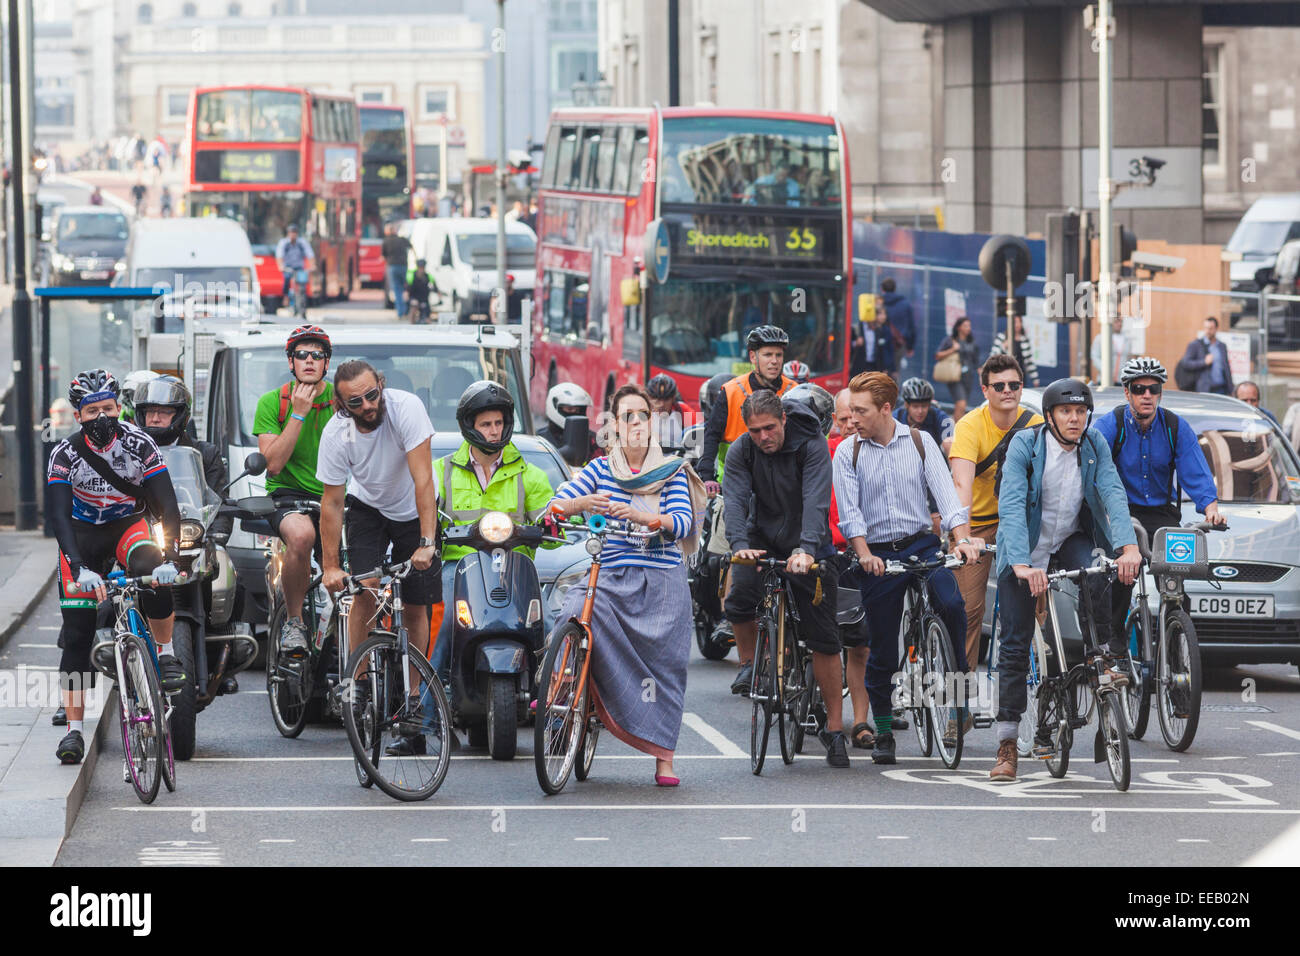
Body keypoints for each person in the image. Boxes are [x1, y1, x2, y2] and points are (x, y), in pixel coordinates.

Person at [990, 379, 1141, 782]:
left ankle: (1102, 656)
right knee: (1016, 643)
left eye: (1080, 412)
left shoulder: (1093, 445)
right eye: (1066, 412)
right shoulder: (1027, 444)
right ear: (1051, 416)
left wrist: (1127, 547)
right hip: (1025, 544)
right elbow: (1012, 505)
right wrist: (1022, 564)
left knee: (1100, 574)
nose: (1075, 419)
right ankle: (1007, 745)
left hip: (1071, 537)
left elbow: (1112, 492)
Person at [551, 384, 700, 785]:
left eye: (643, 415)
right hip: (611, 576)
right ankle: (565, 689)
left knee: (666, 669)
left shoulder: (671, 471)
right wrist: (584, 504)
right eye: (627, 416)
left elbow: (683, 524)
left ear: (653, 424)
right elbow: (558, 503)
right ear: (614, 426)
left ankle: (664, 759)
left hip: (661, 581)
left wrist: (643, 515)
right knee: (571, 611)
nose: (636, 422)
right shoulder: (599, 469)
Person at [834, 372, 980, 763]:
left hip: (921, 544)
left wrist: (962, 539)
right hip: (877, 552)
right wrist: (864, 553)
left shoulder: (919, 441)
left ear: (885, 409)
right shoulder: (848, 452)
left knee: (951, 605)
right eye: (851, 411)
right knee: (881, 644)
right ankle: (883, 730)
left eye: (861, 411)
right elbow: (850, 515)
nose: (854, 419)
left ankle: (959, 698)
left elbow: (948, 499)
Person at [47, 370, 183, 765]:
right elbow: (58, 518)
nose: (102, 417)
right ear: (79, 416)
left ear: (120, 408)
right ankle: (74, 730)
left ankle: (167, 651)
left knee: (150, 564)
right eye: (93, 411)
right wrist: (77, 567)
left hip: (128, 526)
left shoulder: (139, 443)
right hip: (82, 534)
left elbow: (167, 503)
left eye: (109, 408)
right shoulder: (65, 454)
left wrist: (171, 558)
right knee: (76, 635)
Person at [717, 387, 852, 764]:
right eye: (756, 430)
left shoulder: (810, 444)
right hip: (762, 538)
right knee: (739, 596)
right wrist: (740, 543)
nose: (763, 437)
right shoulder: (743, 450)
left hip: (809, 543)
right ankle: (748, 665)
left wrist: (806, 550)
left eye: (770, 428)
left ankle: (836, 730)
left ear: (784, 420)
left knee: (824, 639)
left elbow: (816, 500)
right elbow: (736, 498)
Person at [316, 361, 440, 756]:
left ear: (381, 386)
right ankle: (361, 682)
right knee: (365, 590)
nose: (369, 405)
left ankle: (415, 701)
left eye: (373, 394)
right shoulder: (337, 433)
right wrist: (332, 566)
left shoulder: (405, 409)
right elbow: (333, 504)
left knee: (417, 605)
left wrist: (426, 541)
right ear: (341, 403)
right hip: (367, 508)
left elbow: (424, 479)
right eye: (356, 401)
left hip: (412, 511)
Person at [1095, 357, 1225, 665]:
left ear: (1160, 394)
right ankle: (1114, 646)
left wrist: (1212, 509)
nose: (1147, 395)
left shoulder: (1175, 427)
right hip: (1120, 511)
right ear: (1127, 393)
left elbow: (1196, 472)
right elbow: (1094, 471)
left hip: (1162, 514)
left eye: (1153, 389)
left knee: (1176, 585)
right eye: (1139, 389)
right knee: (1121, 577)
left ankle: (1179, 657)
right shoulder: (1109, 425)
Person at [431, 381, 555, 682]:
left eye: (499, 422)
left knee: (552, 625)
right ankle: (425, 713)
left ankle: (562, 706)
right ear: (470, 426)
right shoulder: (439, 470)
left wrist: (554, 521)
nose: (494, 430)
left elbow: (551, 528)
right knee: (441, 624)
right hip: (457, 567)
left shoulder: (531, 475)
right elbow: (422, 516)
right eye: (486, 423)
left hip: (514, 569)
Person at [948, 354, 1043, 671]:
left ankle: (1040, 674)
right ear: (984, 389)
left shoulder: (1036, 424)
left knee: (1039, 596)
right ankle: (959, 704)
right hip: (975, 524)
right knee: (969, 610)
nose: (1007, 391)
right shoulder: (970, 425)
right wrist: (963, 537)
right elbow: (961, 485)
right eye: (999, 385)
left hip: (1018, 521)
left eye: (1014, 385)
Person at [252, 325, 335, 658]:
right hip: (289, 495)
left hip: (337, 495)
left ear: (327, 363)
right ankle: (295, 622)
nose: (310, 360)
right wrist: (298, 413)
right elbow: (272, 464)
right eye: (302, 354)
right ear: (291, 361)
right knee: (300, 536)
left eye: (318, 354)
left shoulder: (341, 400)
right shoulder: (273, 402)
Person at [697, 325, 796, 494]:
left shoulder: (794, 391)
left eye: (779, 355)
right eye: (767, 355)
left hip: (781, 487)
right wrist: (706, 477)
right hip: (733, 484)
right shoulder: (730, 391)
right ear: (752, 357)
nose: (775, 361)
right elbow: (711, 435)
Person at [538, 382, 600, 464]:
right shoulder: (539, 439)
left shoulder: (592, 440)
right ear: (554, 406)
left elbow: (601, 465)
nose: (575, 414)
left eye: (578, 410)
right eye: (569, 409)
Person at [893, 377, 954, 456]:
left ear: (929, 405)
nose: (920, 411)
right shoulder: (895, 418)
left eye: (924, 406)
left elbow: (951, 445)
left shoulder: (942, 418)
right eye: (915, 406)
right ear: (906, 405)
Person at [934, 316, 979, 420]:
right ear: (959, 327)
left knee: (962, 406)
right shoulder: (951, 340)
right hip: (955, 376)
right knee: (961, 403)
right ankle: (956, 432)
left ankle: (958, 427)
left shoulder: (971, 342)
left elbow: (975, 360)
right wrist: (953, 349)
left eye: (969, 326)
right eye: (965, 326)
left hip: (968, 377)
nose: (968, 328)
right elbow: (938, 355)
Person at [1180, 316, 1233, 395]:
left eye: (1211, 328)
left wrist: (1231, 388)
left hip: (1222, 389)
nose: (1208, 331)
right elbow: (1186, 363)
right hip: (1204, 389)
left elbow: (1226, 368)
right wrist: (1204, 362)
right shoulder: (1196, 345)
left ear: (1216, 328)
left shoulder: (1222, 346)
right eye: (1206, 328)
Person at [989, 314, 1039, 387]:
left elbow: (1029, 361)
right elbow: (993, 357)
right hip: (1004, 376)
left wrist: (1035, 379)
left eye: (1019, 322)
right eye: (1015, 322)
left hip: (1019, 376)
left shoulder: (1024, 340)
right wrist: (1003, 347)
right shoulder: (1001, 337)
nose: (1017, 325)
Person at [879, 278, 917, 376]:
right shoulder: (905, 304)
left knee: (878, 371)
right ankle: (892, 389)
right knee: (895, 372)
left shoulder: (879, 303)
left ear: (882, 289)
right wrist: (910, 346)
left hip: (880, 341)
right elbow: (911, 326)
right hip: (898, 343)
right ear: (895, 288)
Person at [275, 224, 314, 314]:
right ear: (288, 234)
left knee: (302, 285)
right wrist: (281, 266)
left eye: (295, 233)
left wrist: (312, 265)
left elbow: (310, 254)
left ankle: (302, 307)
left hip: (299, 268)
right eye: (291, 233)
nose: (293, 235)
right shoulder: (284, 243)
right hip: (288, 268)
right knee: (287, 280)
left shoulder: (302, 243)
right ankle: (286, 297)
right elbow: (279, 256)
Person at [646, 373, 686, 450]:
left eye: (666, 399)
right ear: (649, 398)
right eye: (657, 399)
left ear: (673, 398)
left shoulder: (682, 410)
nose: (662, 404)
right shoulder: (643, 412)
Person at [382, 222, 413, 319]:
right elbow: (411, 247)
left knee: (397, 290)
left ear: (387, 231)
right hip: (404, 266)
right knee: (406, 289)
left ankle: (400, 312)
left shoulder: (386, 241)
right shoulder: (402, 240)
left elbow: (383, 256)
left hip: (393, 267)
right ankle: (407, 310)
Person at [408, 259, 432, 323]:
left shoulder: (428, 276)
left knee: (427, 318)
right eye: (420, 267)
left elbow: (433, 286)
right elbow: (407, 288)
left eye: (423, 268)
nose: (421, 269)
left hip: (424, 299)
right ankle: (412, 323)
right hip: (414, 297)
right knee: (414, 306)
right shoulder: (412, 275)